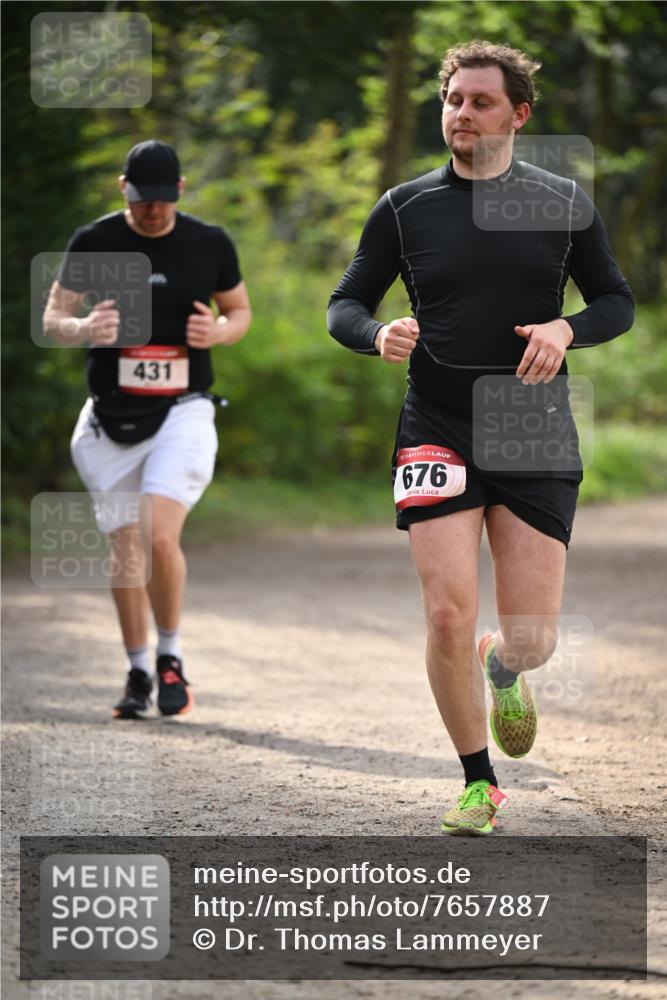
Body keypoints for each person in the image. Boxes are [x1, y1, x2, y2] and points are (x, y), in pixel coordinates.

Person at [327, 42, 633, 834]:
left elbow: (615, 301)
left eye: (480, 102)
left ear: (518, 114)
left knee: (531, 637)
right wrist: (374, 333)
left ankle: (504, 669)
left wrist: (566, 328)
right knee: (443, 615)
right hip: (434, 423)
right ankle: (476, 782)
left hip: (530, 425)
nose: (461, 113)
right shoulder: (403, 206)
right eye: (453, 99)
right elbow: (345, 302)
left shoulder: (560, 200)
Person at [44, 139, 251, 719]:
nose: (151, 211)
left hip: (183, 409)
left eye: (161, 200)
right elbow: (52, 318)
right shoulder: (96, 241)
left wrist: (220, 334)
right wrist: (84, 324)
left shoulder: (208, 243)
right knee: (125, 548)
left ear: (180, 192)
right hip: (108, 418)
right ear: (123, 190)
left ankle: (170, 658)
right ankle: (137, 672)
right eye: (141, 201)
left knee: (160, 534)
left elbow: (239, 312)